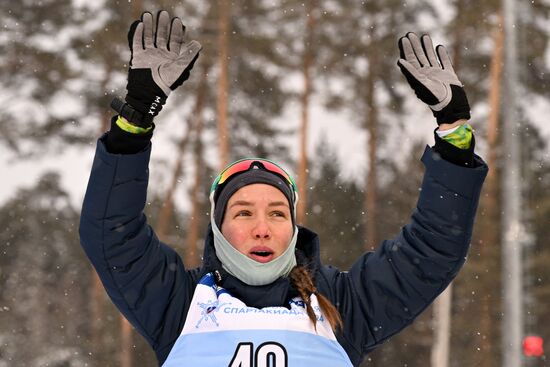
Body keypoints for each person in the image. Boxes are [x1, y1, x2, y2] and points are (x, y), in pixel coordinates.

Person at [79, 10, 488, 367]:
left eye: (277, 213)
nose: (263, 227)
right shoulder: (177, 303)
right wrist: (134, 122)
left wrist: (454, 132)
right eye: (243, 212)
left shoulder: (345, 306)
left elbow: (432, 251)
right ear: (218, 227)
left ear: (293, 227)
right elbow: (110, 233)